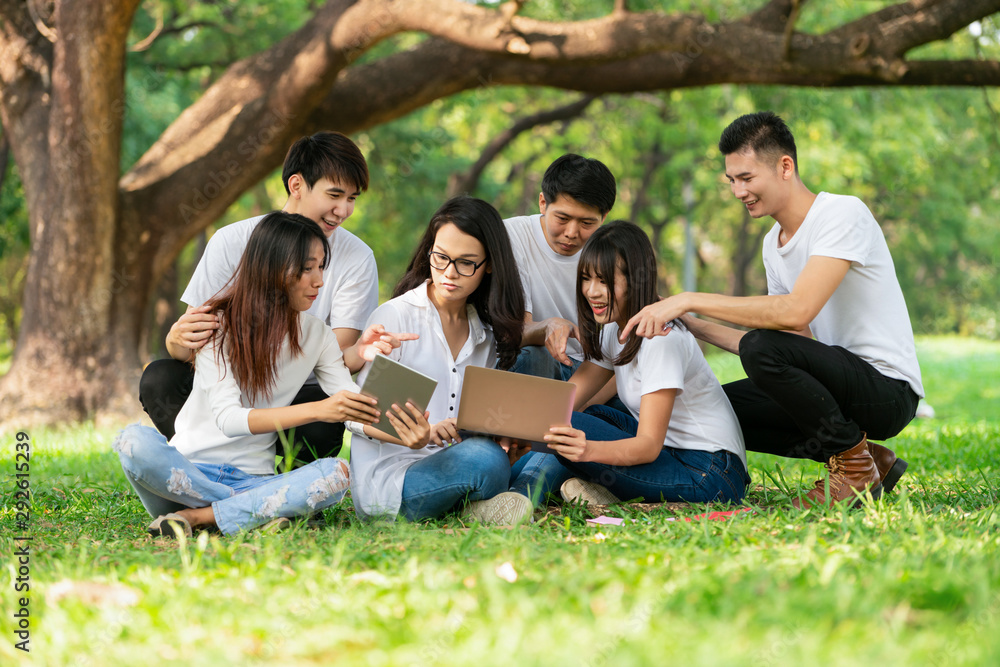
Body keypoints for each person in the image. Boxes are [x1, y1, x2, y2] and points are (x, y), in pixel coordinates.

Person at [621, 111, 924, 508]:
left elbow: (795, 312)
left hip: (887, 391)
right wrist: (692, 324)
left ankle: (852, 469)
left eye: (746, 178)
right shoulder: (773, 245)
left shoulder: (841, 214)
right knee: (722, 412)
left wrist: (690, 297)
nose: (737, 191)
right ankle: (868, 459)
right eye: (731, 180)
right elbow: (791, 345)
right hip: (839, 381)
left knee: (761, 348)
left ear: (785, 166)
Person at [139, 131, 409, 463]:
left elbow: (337, 364)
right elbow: (196, 344)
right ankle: (197, 464)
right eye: (335, 195)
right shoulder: (232, 241)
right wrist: (175, 340)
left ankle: (287, 479)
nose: (343, 210)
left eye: (352, 198)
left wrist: (410, 426)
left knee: (325, 423)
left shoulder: (356, 258)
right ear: (296, 185)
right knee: (161, 378)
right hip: (230, 384)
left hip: (302, 389)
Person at [114, 213, 384, 537]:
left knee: (337, 472)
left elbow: (349, 403)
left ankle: (199, 517)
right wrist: (319, 409)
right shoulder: (217, 324)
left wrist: (398, 424)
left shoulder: (318, 335)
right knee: (131, 442)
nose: (319, 281)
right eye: (307, 268)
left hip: (253, 477)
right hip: (187, 474)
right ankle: (255, 509)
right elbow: (229, 420)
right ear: (272, 268)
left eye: (322, 267)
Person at [349, 196, 562, 525]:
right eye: (441, 258)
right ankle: (509, 496)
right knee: (485, 459)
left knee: (552, 454)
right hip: (397, 482)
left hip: (461, 463)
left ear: (489, 264)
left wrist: (511, 442)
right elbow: (355, 417)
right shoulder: (397, 317)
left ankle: (495, 504)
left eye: (466, 263)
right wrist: (423, 433)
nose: (449, 273)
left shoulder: (484, 333)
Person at [539, 221, 749, 506]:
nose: (592, 291)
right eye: (586, 278)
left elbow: (648, 446)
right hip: (673, 455)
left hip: (710, 475)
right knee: (575, 415)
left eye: (604, 280)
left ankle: (529, 493)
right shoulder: (615, 330)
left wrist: (586, 450)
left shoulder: (662, 340)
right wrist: (506, 424)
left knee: (560, 424)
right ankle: (587, 488)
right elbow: (564, 401)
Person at [504, 153, 617, 381]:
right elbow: (514, 331)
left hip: (592, 371)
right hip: (536, 362)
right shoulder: (512, 236)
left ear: (603, 217)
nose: (571, 233)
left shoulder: (610, 253)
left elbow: (624, 346)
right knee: (532, 356)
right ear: (543, 202)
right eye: (562, 219)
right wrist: (549, 326)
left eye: (587, 223)